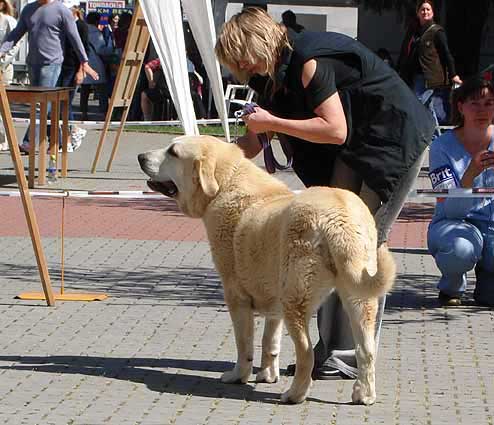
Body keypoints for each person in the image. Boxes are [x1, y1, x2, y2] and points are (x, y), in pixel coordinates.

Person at [215, 7, 435, 380]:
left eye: (241, 57)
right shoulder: (268, 76)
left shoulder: (308, 61)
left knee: (359, 244)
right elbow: (252, 144)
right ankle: (329, 349)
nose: (240, 67)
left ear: (258, 41)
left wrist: (271, 122)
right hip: (357, 145)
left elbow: (334, 129)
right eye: (234, 63)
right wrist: (213, 157)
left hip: (394, 138)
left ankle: (352, 356)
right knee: (327, 245)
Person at [427, 77, 494, 307]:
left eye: (489, 103)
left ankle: (487, 274)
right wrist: (470, 173)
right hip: (455, 223)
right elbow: (450, 209)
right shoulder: (441, 147)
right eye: (475, 103)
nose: (482, 110)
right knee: (460, 250)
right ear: (460, 106)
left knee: (488, 299)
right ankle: (451, 286)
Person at [0, 0, 97, 153]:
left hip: (52, 64)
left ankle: (29, 142)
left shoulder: (61, 10)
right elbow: (15, 34)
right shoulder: (29, 9)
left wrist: (84, 62)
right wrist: (1, 50)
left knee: (42, 105)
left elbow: (74, 37)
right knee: (45, 106)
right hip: (32, 63)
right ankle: (61, 139)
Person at [397, 0, 462, 126]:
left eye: (428, 9)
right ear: (417, 13)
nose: (425, 12)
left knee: (419, 106)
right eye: (422, 9)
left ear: (432, 13)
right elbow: (405, 53)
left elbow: (447, 54)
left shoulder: (437, 32)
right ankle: (434, 137)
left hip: (429, 78)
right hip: (414, 76)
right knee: (429, 108)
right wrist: (398, 69)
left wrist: (454, 75)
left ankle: (431, 135)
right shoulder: (414, 32)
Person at [59, 0, 89, 151]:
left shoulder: (82, 27)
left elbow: (84, 51)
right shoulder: (64, 25)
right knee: (63, 103)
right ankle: (70, 133)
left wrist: (81, 71)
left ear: (75, 10)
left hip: (73, 68)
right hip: (63, 67)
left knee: (66, 103)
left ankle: (71, 134)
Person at [79, 12, 113, 121]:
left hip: (84, 63)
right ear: (97, 21)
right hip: (96, 64)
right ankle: (104, 112)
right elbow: (101, 50)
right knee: (101, 89)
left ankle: (83, 112)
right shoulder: (96, 33)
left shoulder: (81, 31)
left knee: (84, 90)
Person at [0, 0, 18, 151]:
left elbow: (14, 44)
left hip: (3, 69)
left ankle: (3, 140)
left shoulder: (9, 21)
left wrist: (2, 63)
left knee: (2, 107)